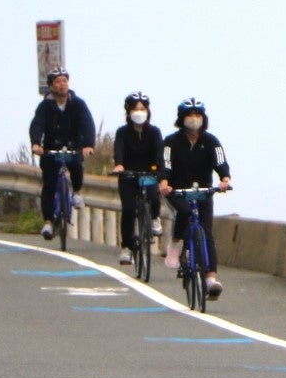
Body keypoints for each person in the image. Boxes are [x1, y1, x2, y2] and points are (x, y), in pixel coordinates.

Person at [159, 98, 231, 297]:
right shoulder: (171, 142)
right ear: (182, 118)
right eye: (190, 115)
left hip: (203, 191)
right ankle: (176, 243)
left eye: (198, 114)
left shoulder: (210, 141)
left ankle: (210, 279)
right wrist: (164, 183)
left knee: (206, 233)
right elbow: (165, 164)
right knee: (184, 211)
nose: (194, 118)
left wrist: (225, 179)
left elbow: (220, 161)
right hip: (178, 190)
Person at [28, 68, 97, 241]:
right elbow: (37, 124)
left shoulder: (78, 103)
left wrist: (88, 145)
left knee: (76, 167)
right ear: (51, 86)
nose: (62, 85)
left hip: (73, 146)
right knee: (49, 185)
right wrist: (36, 144)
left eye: (64, 81)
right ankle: (48, 222)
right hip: (51, 148)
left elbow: (87, 124)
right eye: (58, 82)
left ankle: (76, 192)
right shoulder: (45, 106)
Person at [110, 91, 165, 266]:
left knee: (153, 196)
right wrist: (119, 165)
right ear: (128, 111)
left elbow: (159, 153)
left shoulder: (154, 132)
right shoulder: (123, 132)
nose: (139, 112)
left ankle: (154, 218)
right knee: (128, 209)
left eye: (143, 108)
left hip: (148, 174)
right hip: (128, 176)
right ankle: (126, 247)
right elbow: (119, 149)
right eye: (135, 108)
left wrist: (160, 171)